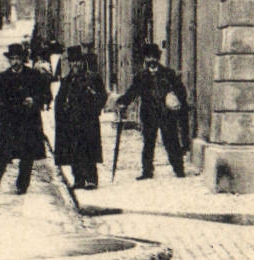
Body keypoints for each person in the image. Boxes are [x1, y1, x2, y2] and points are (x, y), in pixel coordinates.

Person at [0, 42, 52, 194]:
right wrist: (3, 118)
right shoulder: (3, 78)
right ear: (9, 60)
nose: (15, 62)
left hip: (29, 123)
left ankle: (22, 187)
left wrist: (35, 100)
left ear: (23, 59)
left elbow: (47, 96)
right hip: (9, 124)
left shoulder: (34, 76)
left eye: (18, 58)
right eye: (13, 59)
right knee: (0, 155)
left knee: (27, 157)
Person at [116, 43, 190, 179]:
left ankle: (179, 169)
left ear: (158, 58)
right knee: (148, 143)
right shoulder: (141, 77)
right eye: (148, 57)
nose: (151, 60)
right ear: (145, 59)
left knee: (171, 141)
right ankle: (147, 171)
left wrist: (174, 98)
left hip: (167, 114)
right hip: (149, 115)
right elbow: (132, 92)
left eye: (154, 57)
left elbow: (180, 90)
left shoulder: (168, 74)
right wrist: (122, 102)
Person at [54, 46, 108, 189]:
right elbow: (59, 100)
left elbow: (102, 96)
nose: (76, 65)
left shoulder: (93, 78)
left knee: (88, 150)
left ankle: (91, 179)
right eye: (73, 62)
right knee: (73, 150)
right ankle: (78, 179)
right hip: (71, 121)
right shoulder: (66, 81)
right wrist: (61, 117)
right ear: (69, 64)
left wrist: (95, 109)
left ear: (83, 62)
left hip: (88, 120)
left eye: (78, 61)